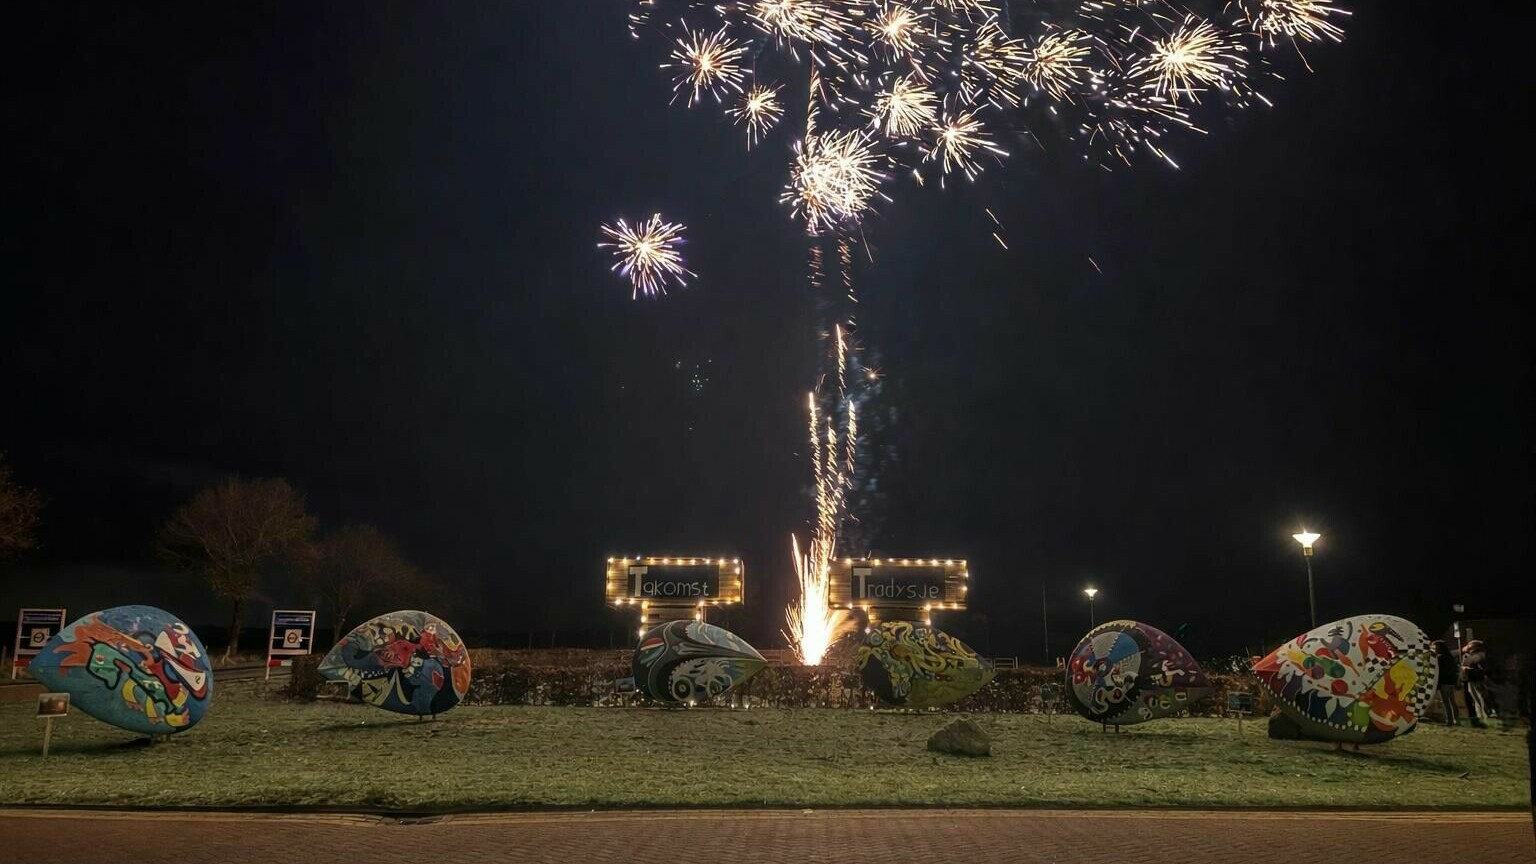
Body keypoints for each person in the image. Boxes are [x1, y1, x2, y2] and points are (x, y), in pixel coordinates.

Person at [1461, 639, 1490, 728]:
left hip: (1477, 679)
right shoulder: (1471, 655)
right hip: (1472, 679)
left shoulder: (1479, 656)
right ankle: (1480, 717)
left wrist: (1467, 669)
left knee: (1481, 698)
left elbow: (1481, 669)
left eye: (1470, 645)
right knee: (1476, 699)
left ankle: (1485, 717)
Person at [1433, 641, 1459, 726]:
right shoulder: (1450, 657)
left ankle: (1450, 720)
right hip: (1451, 682)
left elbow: (1438, 671)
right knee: (1452, 701)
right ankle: (1457, 719)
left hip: (1444, 682)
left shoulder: (1440, 658)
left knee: (1446, 702)